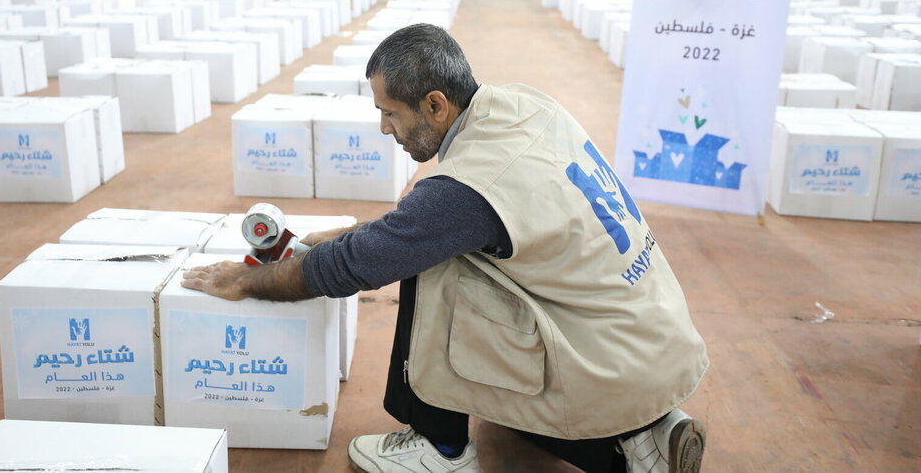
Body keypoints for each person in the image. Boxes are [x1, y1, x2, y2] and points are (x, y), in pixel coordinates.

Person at [182, 24, 709, 473]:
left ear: (435, 103)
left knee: (433, 266)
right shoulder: (521, 105)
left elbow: (357, 265)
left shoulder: (464, 192)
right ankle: (643, 442)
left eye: (390, 113)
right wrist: (349, 233)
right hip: (647, 345)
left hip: (603, 359)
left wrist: (246, 280)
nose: (384, 128)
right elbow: (430, 219)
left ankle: (440, 445)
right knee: (507, 404)